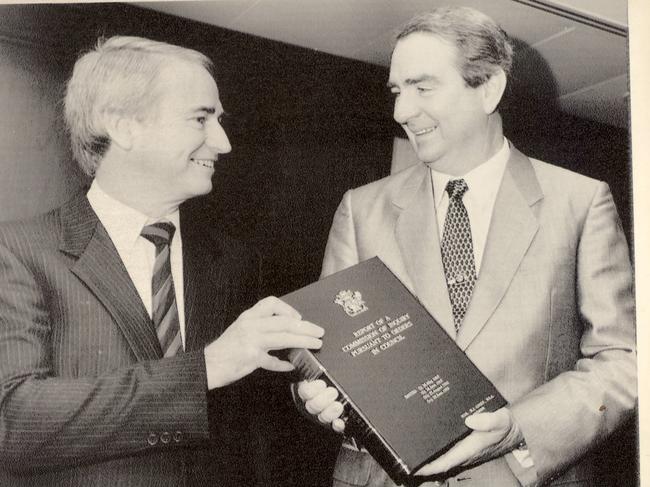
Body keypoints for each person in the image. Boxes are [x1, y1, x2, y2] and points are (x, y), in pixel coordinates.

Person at [298, 6, 636, 487]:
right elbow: (325, 359)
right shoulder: (361, 209)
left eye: (423, 87)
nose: (401, 111)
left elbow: (622, 359)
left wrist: (521, 428)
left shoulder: (580, 202)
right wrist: (314, 397)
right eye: (397, 91)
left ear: (489, 88)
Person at [0, 36, 325, 486]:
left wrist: (305, 399)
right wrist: (203, 369)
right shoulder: (16, 251)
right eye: (200, 118)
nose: (224, 142)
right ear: (123, 125)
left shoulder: (232, 260)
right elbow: (13, 422)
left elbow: (250, 412)